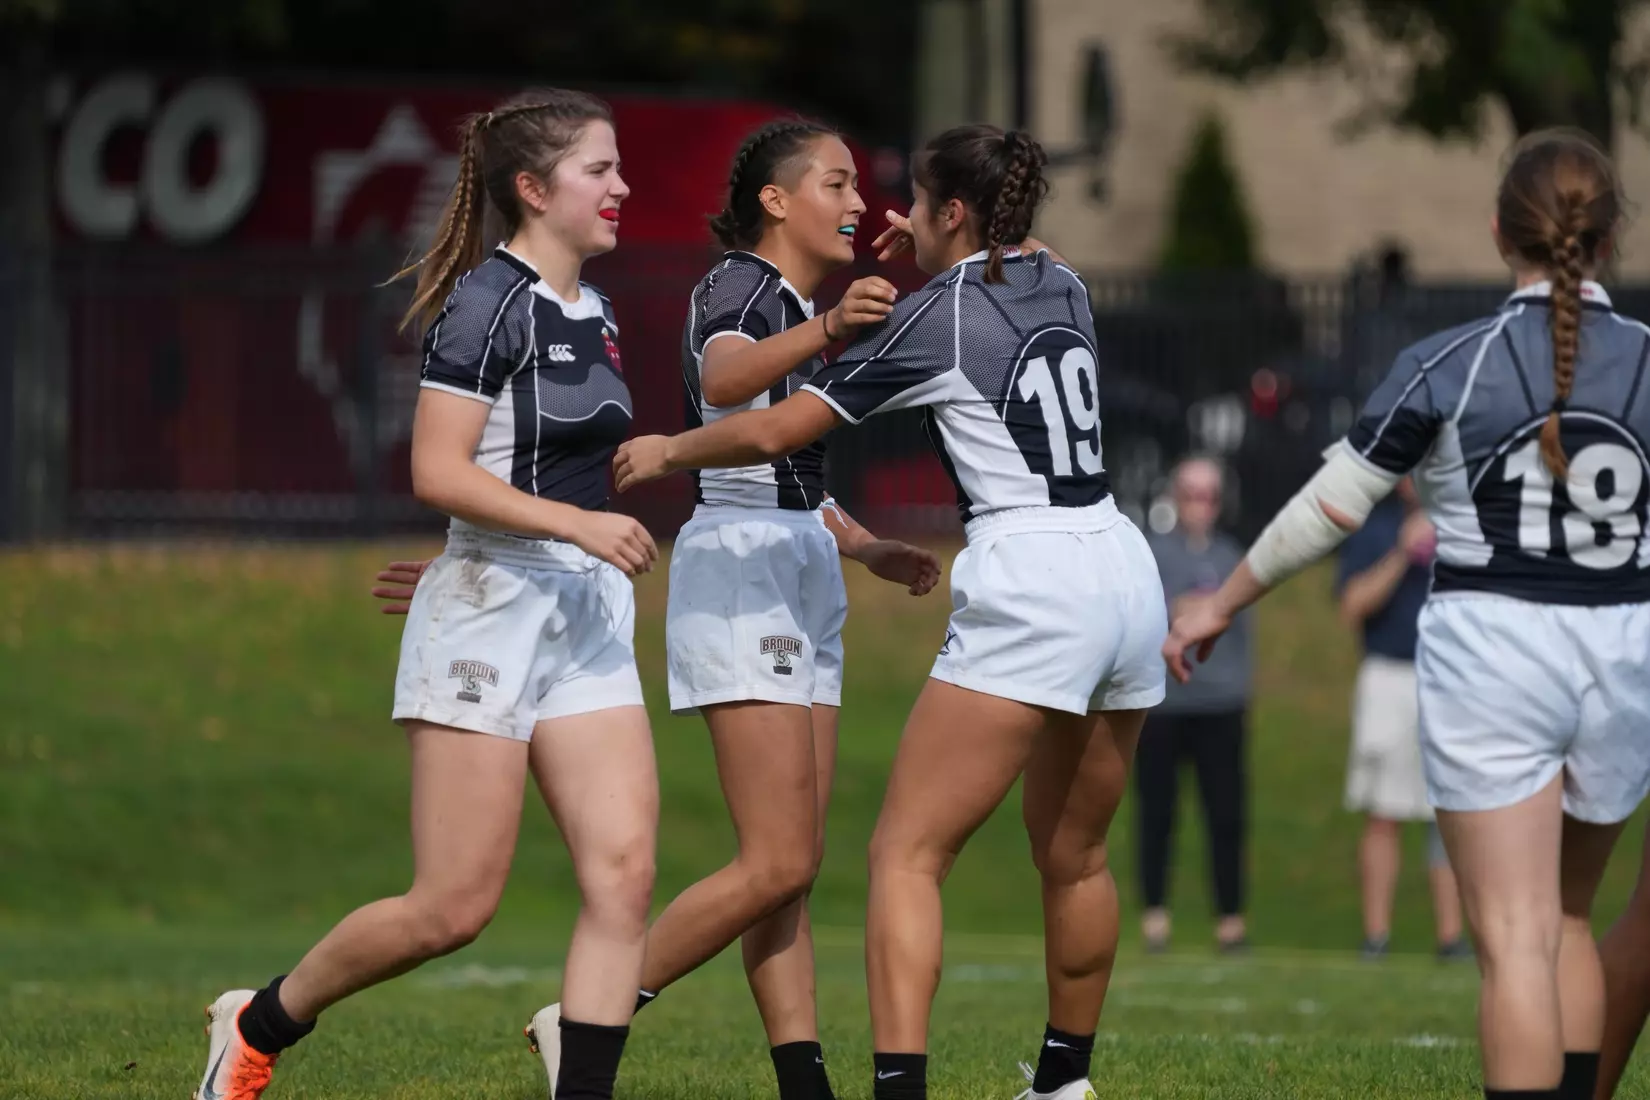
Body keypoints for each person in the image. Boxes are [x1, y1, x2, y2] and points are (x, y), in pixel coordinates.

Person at [373, 120, 941, 1100]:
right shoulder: (737, 286)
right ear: (776, 198)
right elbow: (723, 387)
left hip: (797, 555)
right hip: (743, 569)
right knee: (775, 854)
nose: (858, 203)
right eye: (840, 183)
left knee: (791, 861)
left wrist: (861, 543)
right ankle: (597, 1008)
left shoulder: (784, 300)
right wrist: (831, 325)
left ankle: (800, 1079)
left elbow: (781, 459)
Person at [614, 124, 1167, 1100]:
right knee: (1075, 855)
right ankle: (1062, 1083)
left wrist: (670, 452)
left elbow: (782, 425)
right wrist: (932, 252)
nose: (890, 215)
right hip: (1124, 567)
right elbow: (981, 282)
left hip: (1033, 572)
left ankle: (898, 1088)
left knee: (906, 853)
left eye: (911, 202)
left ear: (950, 212)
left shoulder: (939, 314)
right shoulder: (1066, 279)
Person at [1163, 128, 1650, 1100]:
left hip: (1495, 651)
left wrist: (1220, 598)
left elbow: (1330, 508)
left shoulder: (1448, 362)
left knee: (1512, 938)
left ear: (1498, 231)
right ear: (1607, 240)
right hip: (1625, 650)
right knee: (1563, 923)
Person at [194, 90, 661, 1100]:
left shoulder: (598, 308)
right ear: (535, 189)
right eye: (599, 169)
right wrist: (535, 542)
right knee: (453, 906)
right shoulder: (487, 302)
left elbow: (529, 470)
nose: (622, 186)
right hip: (495, 615)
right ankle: (257, 1019)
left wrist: (532, 540)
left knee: (622, 877)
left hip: (581, 618)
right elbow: (438, 469)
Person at [1336, 475, 1469, 961]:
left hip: (1454, 679)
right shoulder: (1375, 527)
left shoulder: (1466, 527)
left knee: (1451, 813)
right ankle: (1377, 935)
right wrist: (1400, 552)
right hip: (1389, 676)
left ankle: (1451, 938)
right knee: (1383, 811)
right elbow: (1351, 606)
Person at [1136, 456, 1251, 954]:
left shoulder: (1232, 557)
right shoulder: (1153, 555)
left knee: (1225, 814)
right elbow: (1144, 615)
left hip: (1220, 703)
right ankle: (1154, 916)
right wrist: (1181, 608)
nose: (1198, 506)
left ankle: (1230, 920)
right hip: (1164, 704)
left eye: (1207, 496)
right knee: (1157, 813)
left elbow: (1244, 630)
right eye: (1189, 495)